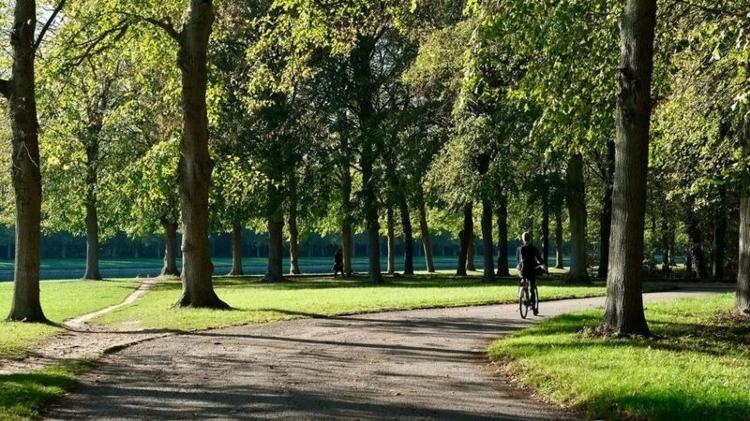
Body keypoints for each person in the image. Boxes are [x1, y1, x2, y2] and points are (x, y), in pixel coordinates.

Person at [516, 232, 547, 315]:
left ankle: (521, 293)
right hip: (532, 270)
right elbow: (540, 259)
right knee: (532, 288)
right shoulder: (534, 249)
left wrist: (519, 269)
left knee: (521, 280)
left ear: (523, 240)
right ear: (530, 239)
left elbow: (518, 261)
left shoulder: (519, 249)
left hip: (523, 270)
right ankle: (533, 306)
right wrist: (544, 267)